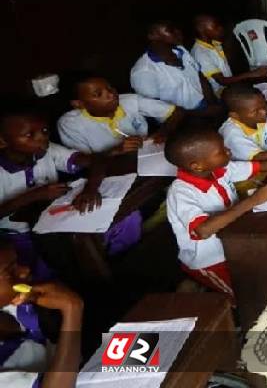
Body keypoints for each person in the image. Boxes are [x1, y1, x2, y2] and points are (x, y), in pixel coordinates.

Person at [164, 127, 267, 301]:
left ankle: (200, 287)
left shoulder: (218, 170)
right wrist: (253, 201)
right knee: (246, 298)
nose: (228, 151)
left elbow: (262, 165)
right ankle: (199, 287)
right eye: (221, 151)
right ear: (197, 165)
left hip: (237, 241)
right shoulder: (181, 193)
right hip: (212, 259)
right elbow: (202, 231)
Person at [0, 110, 141, 264]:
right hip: (20, 233)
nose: (42, 138)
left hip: (57, 215)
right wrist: (35, 195)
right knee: (46, 265)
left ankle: (119, 264)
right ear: (3, 141)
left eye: (45, 131)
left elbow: (96, 161)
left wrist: (91, 190)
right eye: (29, 135)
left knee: (128, 218)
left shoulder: (47, 150)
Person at [0, 241, 83, 388]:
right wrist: (72, 309)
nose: (24, 270)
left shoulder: (19, 302)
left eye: (17, 263)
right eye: (9, 272)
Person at [56, 74, 184, 155]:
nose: (111, 95)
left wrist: (163, 132)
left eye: (110, 88)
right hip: (112, 172)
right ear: (79, 104)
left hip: (147, 156)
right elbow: (82, 163)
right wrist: (116, 151)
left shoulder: (129, 101)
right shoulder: (70, 124)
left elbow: (176, 112)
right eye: (98, 94)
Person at [130, 21, 217, 113]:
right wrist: (203, 113)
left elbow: (201, 78)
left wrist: (212, 104)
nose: (178, 32)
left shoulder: (181, 51)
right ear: (152, 36)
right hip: (186, 119)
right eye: (170, 30)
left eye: (176, 28)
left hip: (206, 106)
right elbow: (157, 111)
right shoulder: (143, 72)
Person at [192, 15, 267, 97]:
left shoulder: (214, 43)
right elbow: (222, 81)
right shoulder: (201, 53)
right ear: (201, 29)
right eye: (215, 26)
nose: (220, 28)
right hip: (218, 93)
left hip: (229, 84)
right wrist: (252, 73)